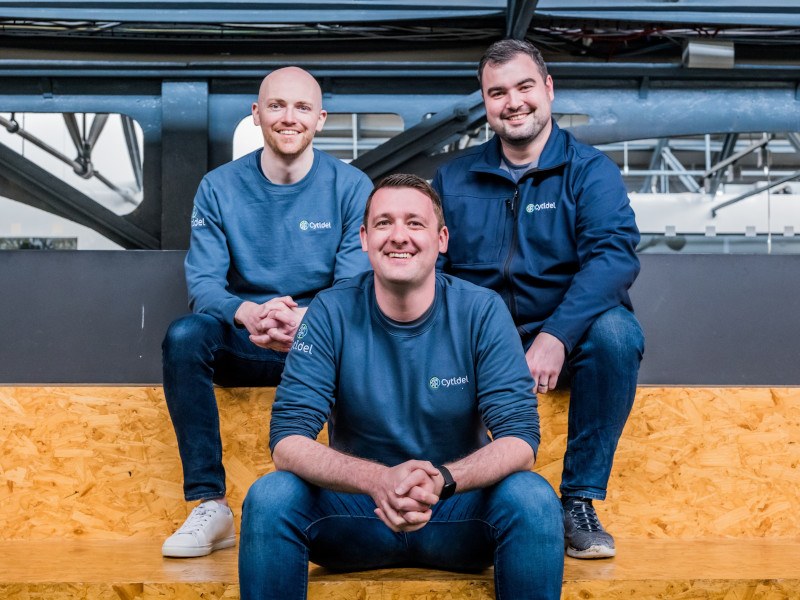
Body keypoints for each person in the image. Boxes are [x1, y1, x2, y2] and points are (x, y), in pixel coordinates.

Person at [239, 174, 564, 600]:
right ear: (363, 238)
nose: (398, 237)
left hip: (455, 515)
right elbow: (287, 439)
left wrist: (443, 480)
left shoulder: (482, 311)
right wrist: (377, 480)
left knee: (533, 498)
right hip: (357, 517)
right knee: (270, 496)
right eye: (383, 223)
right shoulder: (329, 311)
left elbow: (521, 438)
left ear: (441, 238)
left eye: (414, 223)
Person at [432, 39, 645, 559]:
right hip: (478, 336)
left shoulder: (589, 171)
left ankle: (578, 501)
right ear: (485, 102)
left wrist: (555, 337)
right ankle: (446, 496)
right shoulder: (453, 177)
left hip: (561, 332)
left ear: (548, 89)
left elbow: (613, 259)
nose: (513, 102)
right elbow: (433, 268)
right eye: (497, 92)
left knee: (618, 333)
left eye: (525, 87)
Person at [160, 67, 372, 558]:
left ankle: (354, 499)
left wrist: (310, 320)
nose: (288, 117)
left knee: (374, 327)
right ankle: (210, 505)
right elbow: (205, 285)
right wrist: (248, 312)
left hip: (324, 343)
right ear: (256, 116)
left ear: (321, 119)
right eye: (276, 106)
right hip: (248, 338)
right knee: (185, 335)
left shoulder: (352, 186)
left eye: (301, 108)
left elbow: (353, 285)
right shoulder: (218, 187)